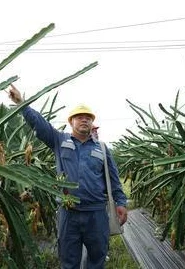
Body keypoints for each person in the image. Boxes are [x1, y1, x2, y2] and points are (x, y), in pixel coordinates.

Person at [8, 84, 128, 269]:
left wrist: (121, 203)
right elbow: (39, 124)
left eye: (88, 118)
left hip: (96, 213)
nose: (84, 120)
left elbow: (113, 179)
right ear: (71, 122)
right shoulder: (59, 140)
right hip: (68, 213)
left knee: (97, 259)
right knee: (68, 261)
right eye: (79, 117)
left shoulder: (102, 148)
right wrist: (22, 104)